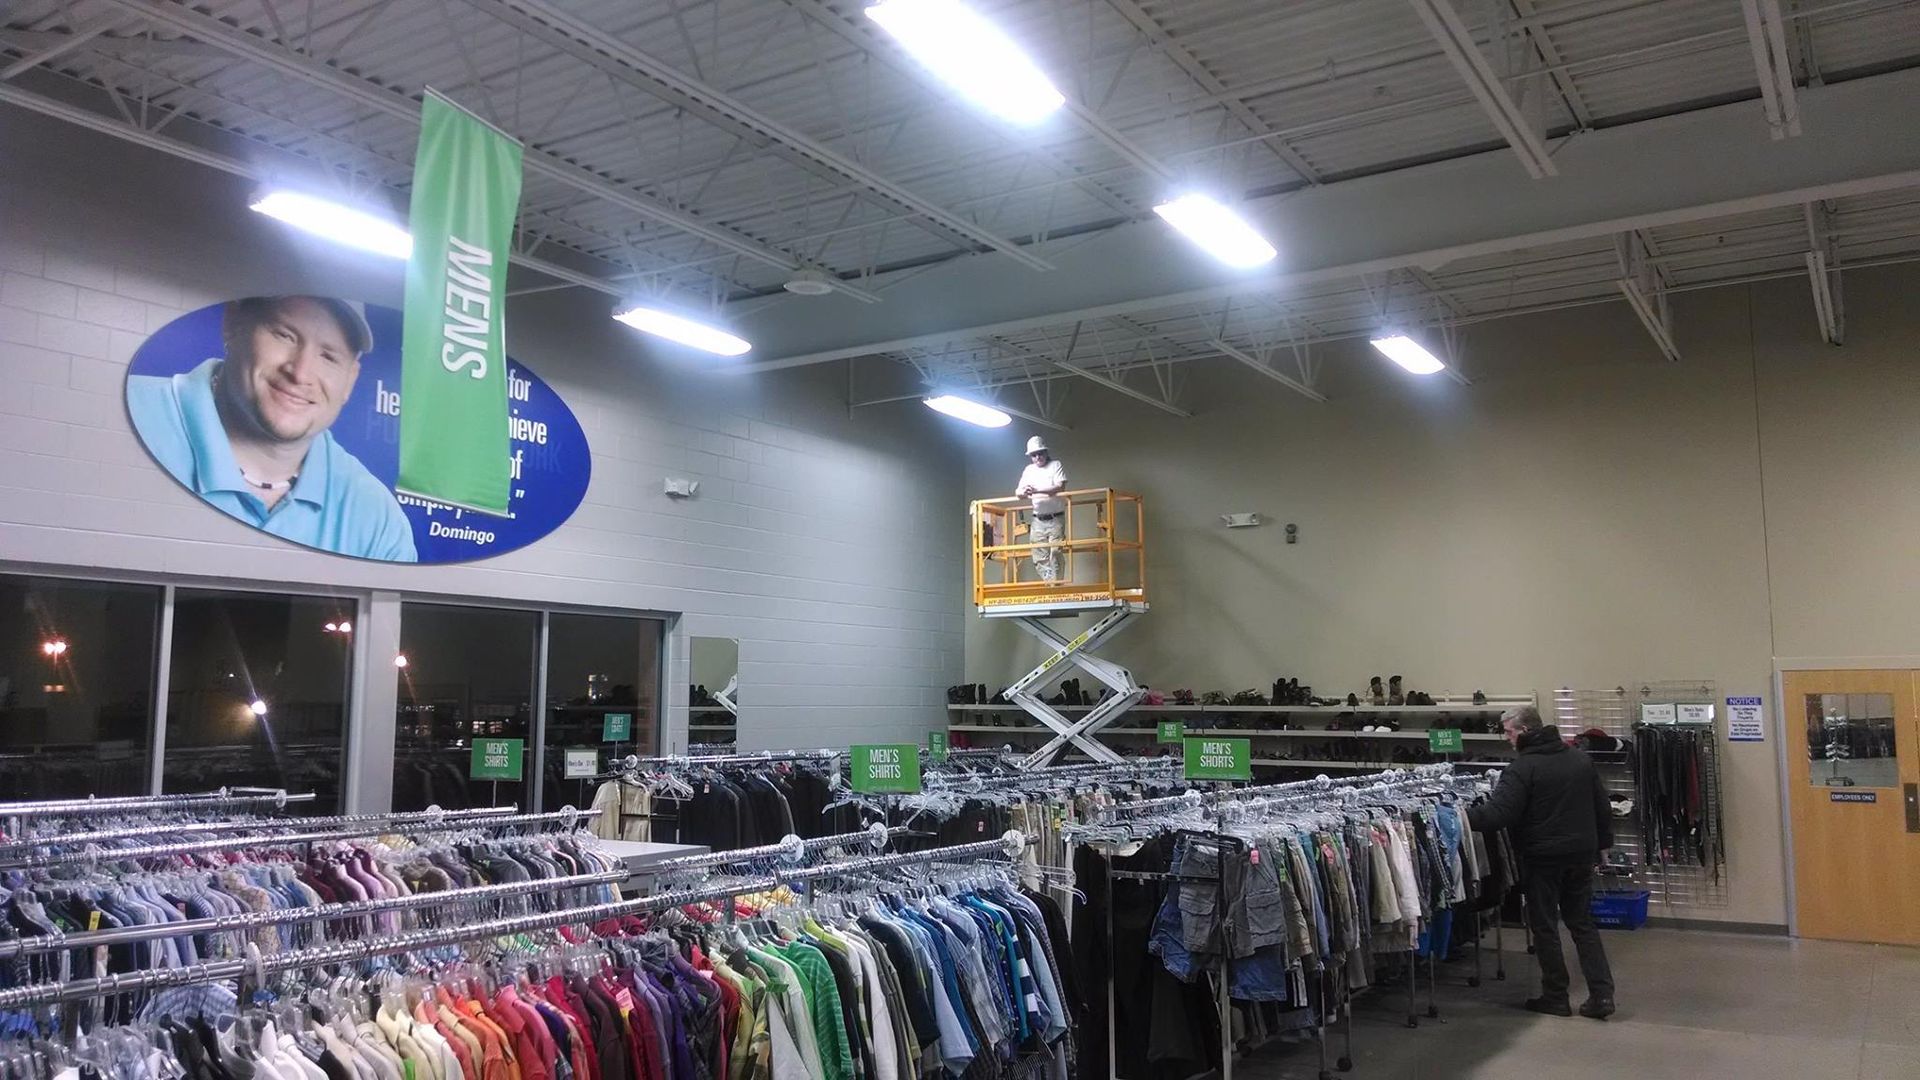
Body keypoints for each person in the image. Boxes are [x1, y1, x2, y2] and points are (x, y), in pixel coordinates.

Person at [127, 295, 417, 562]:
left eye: (328, 356)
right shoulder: (132, 416)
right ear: (233, 324)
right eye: (284, 335)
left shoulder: (376, 518)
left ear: (350, 381)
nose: (300, 373)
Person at [1467, 705, 1617, 1019]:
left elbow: (1499, 814)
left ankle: (1556, 996)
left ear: (1524, 732)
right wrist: (1603, 846)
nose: (1507, 738)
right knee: (1583, 924)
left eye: (1508, 732)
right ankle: (1602, 996)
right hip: (1580, 855)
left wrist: (1458, 817)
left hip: (1542, 857)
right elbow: (1602, 808)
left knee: (1545, 927)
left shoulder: (1523, 768)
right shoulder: (1580, 760)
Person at [1015, 435, 1068, 583]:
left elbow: (1059, 486)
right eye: (1033, 455)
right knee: (1039, 555)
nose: (1037, 457)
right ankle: (1050, 584)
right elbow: (1018, 492)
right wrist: (1023, 492)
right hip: (1038, 519)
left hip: (1055, 518)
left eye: (1040, 453)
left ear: (1046, 452)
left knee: (1055, 551)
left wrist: (1036, 490)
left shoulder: (1055, 465)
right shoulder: (1028, 470)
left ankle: (1057, 584)